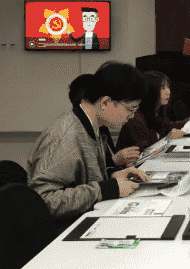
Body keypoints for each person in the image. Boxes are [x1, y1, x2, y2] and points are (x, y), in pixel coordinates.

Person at [27, 61, 151, 232]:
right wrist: (108, 188)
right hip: (64, 232)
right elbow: (43, 200)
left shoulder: (95, 126)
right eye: (131, 109)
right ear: (106, 102)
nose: (132, 116)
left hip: (86, 220)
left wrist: (112, 175)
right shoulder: (67, 136)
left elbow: (84, 179)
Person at [116, 71, 190, 151]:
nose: (168, 92)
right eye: (163, 88)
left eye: (168, 87)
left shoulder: (157, 111)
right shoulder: (135, 119)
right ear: (151, 91)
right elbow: (144, 153)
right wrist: (166, 140)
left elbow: (169, 127)